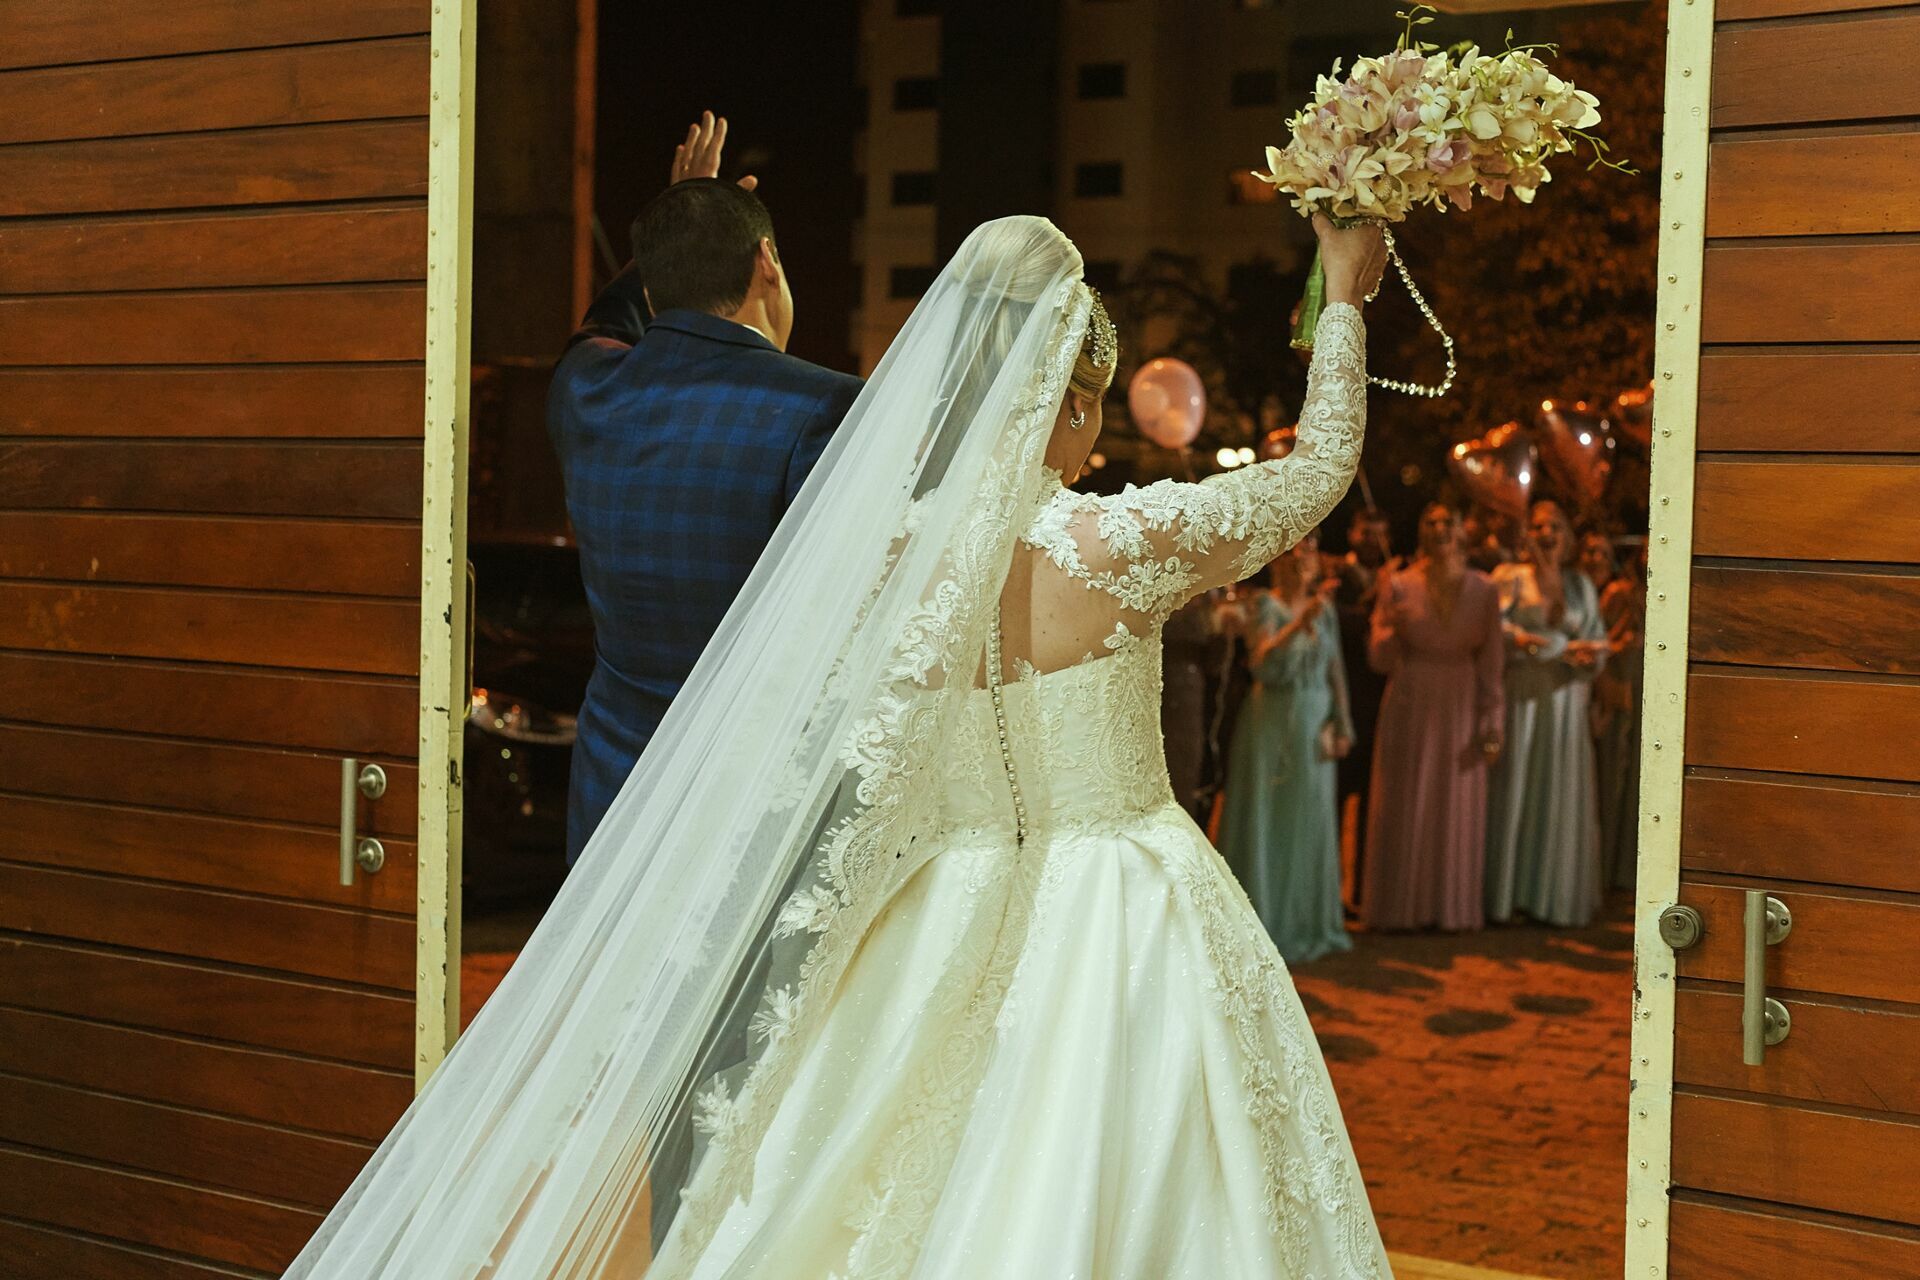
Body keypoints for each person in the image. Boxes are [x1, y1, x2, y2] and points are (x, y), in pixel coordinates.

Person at [288, 212, 1391, 1279]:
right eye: (1091, 404)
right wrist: (1342, 293)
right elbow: (1319, 472)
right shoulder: (1120, 541)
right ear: (1072, 402)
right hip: (1125, 897)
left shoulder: (886, 556)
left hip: (939, 898)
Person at [548, 114, 863, 863]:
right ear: (766, 261)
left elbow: (605, 320)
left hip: (613, 788)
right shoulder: (828, 406)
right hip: (748, 799)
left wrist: (674, 224)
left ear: (651, 284)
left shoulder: (586, 387)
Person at [1360, 503, 1505, 932]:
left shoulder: (1485, 590)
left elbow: (1492, 663)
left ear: (1462, 530)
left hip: (1462, 703)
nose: (1441, 528)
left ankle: (1451, 909)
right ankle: (1401, 909)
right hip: (1411, 702)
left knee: (1455, 803)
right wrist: (1389, 625)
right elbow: (1378, 659)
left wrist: (1492, 722)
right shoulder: (1399, 584)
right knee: (1408, 801)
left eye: (1449, 521)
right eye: (1431, 521)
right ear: (1421, 531)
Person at [1219, 532, 1356, 964]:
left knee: (1309, 814)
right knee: (1267, 815)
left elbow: (1335, 669)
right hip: (1270, 720)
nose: (1301, 559)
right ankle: (1263, 921)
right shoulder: (1264, 604)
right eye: (1294, 552)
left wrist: (1343, 722)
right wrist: (1298, 625)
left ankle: (1307, 919)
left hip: (1313, 720)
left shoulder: (1325, 610)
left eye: (1309, 552)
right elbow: (1259, 661)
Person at [1485, 500, 1609, 927]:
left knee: (1558, 789)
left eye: (1555, 526)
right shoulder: (1510, 577)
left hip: (1567, 700)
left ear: (1567, 536)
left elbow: (1597, 640)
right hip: (1524, 694)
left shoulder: (1580, 585)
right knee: (1519, 785)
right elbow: (1493, 628)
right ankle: (1508, 897)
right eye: (1539, 526)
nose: (1547, 534)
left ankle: (1551, 898)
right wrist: (1537, 644)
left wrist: (1588, 657)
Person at [1331, 505, 1395, 904]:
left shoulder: (1398, 576)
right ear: (1352, 534)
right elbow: (1337, 621)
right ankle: (1331, 891)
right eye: (1365, 532)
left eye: (1379, 533)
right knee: (1336, 798)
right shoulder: (1337, 575)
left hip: (1383, 700)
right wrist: (1375, 601)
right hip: (1344, 696)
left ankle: (1366, 891)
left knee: (1377, 801)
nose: (1373, 541)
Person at [1595, 540, 1647, 888]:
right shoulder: (1618, 593)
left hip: (1644, 688)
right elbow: (1599, 639)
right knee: (1614, 775)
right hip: (1620, 685)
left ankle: (1629, 872)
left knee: (1636, 781)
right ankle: (1605, 871)